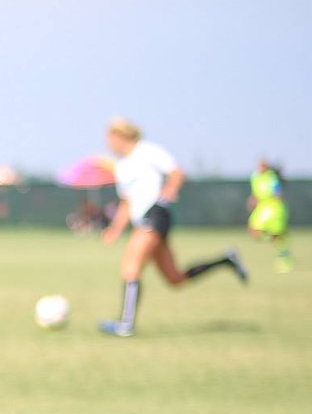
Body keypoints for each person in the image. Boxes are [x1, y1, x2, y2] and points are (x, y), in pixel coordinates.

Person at [99, 117, 247, 338]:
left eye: (110, 139)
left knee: (131, 266)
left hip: (156, 215)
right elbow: (127, 202)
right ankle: (226, 260)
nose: (108, 144)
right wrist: (115, 229)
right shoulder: (121, 166)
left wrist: (166, 195)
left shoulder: (147, 151)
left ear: (121, 136)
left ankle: (125, 324)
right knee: (175, 278)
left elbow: (176, 172)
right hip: (144, 221)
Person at [248, 158, 293, 273]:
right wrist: (252, 200)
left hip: (274, 208)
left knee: (277, 235)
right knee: (254, 231)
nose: (261, 167)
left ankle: (284, 256)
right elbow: (256, 193)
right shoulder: (255, 177)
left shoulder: (272, 177)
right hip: (262, 208)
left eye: (263, 165)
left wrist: (279, 208)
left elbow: (277, 193)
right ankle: (276, 241)